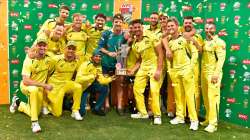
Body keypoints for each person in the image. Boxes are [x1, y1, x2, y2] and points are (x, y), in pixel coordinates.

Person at [9, 38, 53, 133]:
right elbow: (26, 81)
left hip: (39, 89)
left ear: (47, 47)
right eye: (40, 45)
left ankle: (17, 102)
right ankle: (34, 122)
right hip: (27, 86)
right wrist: (44, 85)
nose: (42, 47)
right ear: (36, 46)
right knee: (33, 89)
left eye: (44, 45)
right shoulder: (29, 59)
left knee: (35, 112)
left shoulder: (49, 58)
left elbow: (50, 72)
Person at [165, 17, 199, 130]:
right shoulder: (169, 42)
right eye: (168, 26)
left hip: (186, 70)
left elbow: (195, 53)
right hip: (175, 72)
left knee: (189, 95)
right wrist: (170, 69)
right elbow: (169, 59)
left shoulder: (185, 37)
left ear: (177, 26)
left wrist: (190, 67)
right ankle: (180, 116)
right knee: (178, 96)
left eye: (172, 25)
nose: (170, 28)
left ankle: (194, 120)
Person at [130, 19, 164, 125]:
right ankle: (143, 113)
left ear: (142, 27)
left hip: (154, 67)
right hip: (143, 67)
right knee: (136, 88)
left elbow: (160, 54)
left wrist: (159, 70)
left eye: (139, 27)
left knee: (154, 91)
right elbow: (140, 59)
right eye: (135, 27)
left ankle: (157, 115)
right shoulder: (135, 44)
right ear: (133, 30)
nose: (137, 29)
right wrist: (133, 70)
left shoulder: (151, 37)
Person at [44, 41, 82, 120]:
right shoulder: (55, 59)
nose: (71, 51)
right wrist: (46, 86)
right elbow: (47, 73)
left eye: (73, 49)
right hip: (55, 86)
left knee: (78, 87)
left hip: (66, 84)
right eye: (69, 48)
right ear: (65, 49)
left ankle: (75, 110)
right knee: (57, 114)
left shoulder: (77, 61)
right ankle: (46, 105)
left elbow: (77, 73)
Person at [98, 13, 126, 115]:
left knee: (120, 84)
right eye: (116, 22)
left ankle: (119, 106)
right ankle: (106, 105)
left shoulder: (125, 34)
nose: (118, 23)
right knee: (105, 84)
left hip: (120, 62)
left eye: (120, 22)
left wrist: (118, 53)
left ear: (123, 23)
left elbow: (126, 48)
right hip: (106, 62)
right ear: (113, 23)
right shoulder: (106, 33)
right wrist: (109, 53)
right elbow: (100, 47)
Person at [200, 22, 226, 133]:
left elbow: (221, 59)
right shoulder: (205, 41)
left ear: (214, 29)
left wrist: (216, 74)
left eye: (210, 28)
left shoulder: (219, 42)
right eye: (206, 28)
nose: (208, 30)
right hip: (204, 73)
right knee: (206, 98)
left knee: (213, 99)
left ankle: (213, 124)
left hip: (213, 74)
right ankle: (208, 119)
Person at [76, 50, 113, 116]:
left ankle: (97, 108)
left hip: (91, 86)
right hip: (82, 88)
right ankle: (69, 104)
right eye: (96, 56)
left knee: (105, 87)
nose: (98, 58)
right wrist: (92, 76)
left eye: (100, 57)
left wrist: (111, 78)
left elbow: (101, 80)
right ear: (92, 57)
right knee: (82, 113)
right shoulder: (85, 64)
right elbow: (79, 79)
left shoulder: (99, 66)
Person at [182, 16, 203, 114]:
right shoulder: (179, 35)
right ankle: (183, 114)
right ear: (183, 24)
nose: (187, 25)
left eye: (189, 23)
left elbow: (201, 50)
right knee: (182, 90)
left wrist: (194, 41)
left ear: (192, 24)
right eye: (186, 23)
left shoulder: (198, 36)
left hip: (193, 67)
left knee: (194, 91)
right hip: (181, 67)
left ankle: (194, 114)